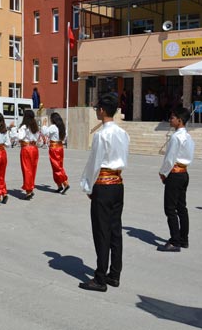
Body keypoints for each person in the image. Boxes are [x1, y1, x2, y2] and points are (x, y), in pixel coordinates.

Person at [79, 93, 129, 292]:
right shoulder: (123, 133)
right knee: (115, 230)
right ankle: (114, 274)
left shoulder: (101, 134)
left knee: (102, 231)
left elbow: (95, 163)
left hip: (104, 185)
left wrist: (88, 185)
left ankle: (100, 278)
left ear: (101, 110)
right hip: (118, 183)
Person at [157, 107, 194, 252]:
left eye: (173, 117)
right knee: (181, 207)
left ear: (180, 120)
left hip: (174, 174)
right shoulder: (189, 137)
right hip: (184, 173)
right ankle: (184, 239)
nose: (170, 120)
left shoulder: (176, 137)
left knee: (170, 208)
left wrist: (163, 173)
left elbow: (170, 158)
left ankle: (175, 241)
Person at [10, 110, 41, 200]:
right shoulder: (35, 126)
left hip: (26, 149)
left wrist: (13, 128)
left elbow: (19, 137)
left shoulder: (24, 126)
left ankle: (28, 191)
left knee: (27, 169)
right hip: (34, 148)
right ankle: (30, 188)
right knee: (32, 169)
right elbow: (37, 138)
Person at [42, 112, 70, 194]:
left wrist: (44, 124)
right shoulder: (62, 127)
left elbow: (45, 133)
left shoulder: (53, 127)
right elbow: (65, 136)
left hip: (54, 148)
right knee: (58, 166)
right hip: (60, 147)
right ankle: (59, 185)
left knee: (57, 167)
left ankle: (65, 182)